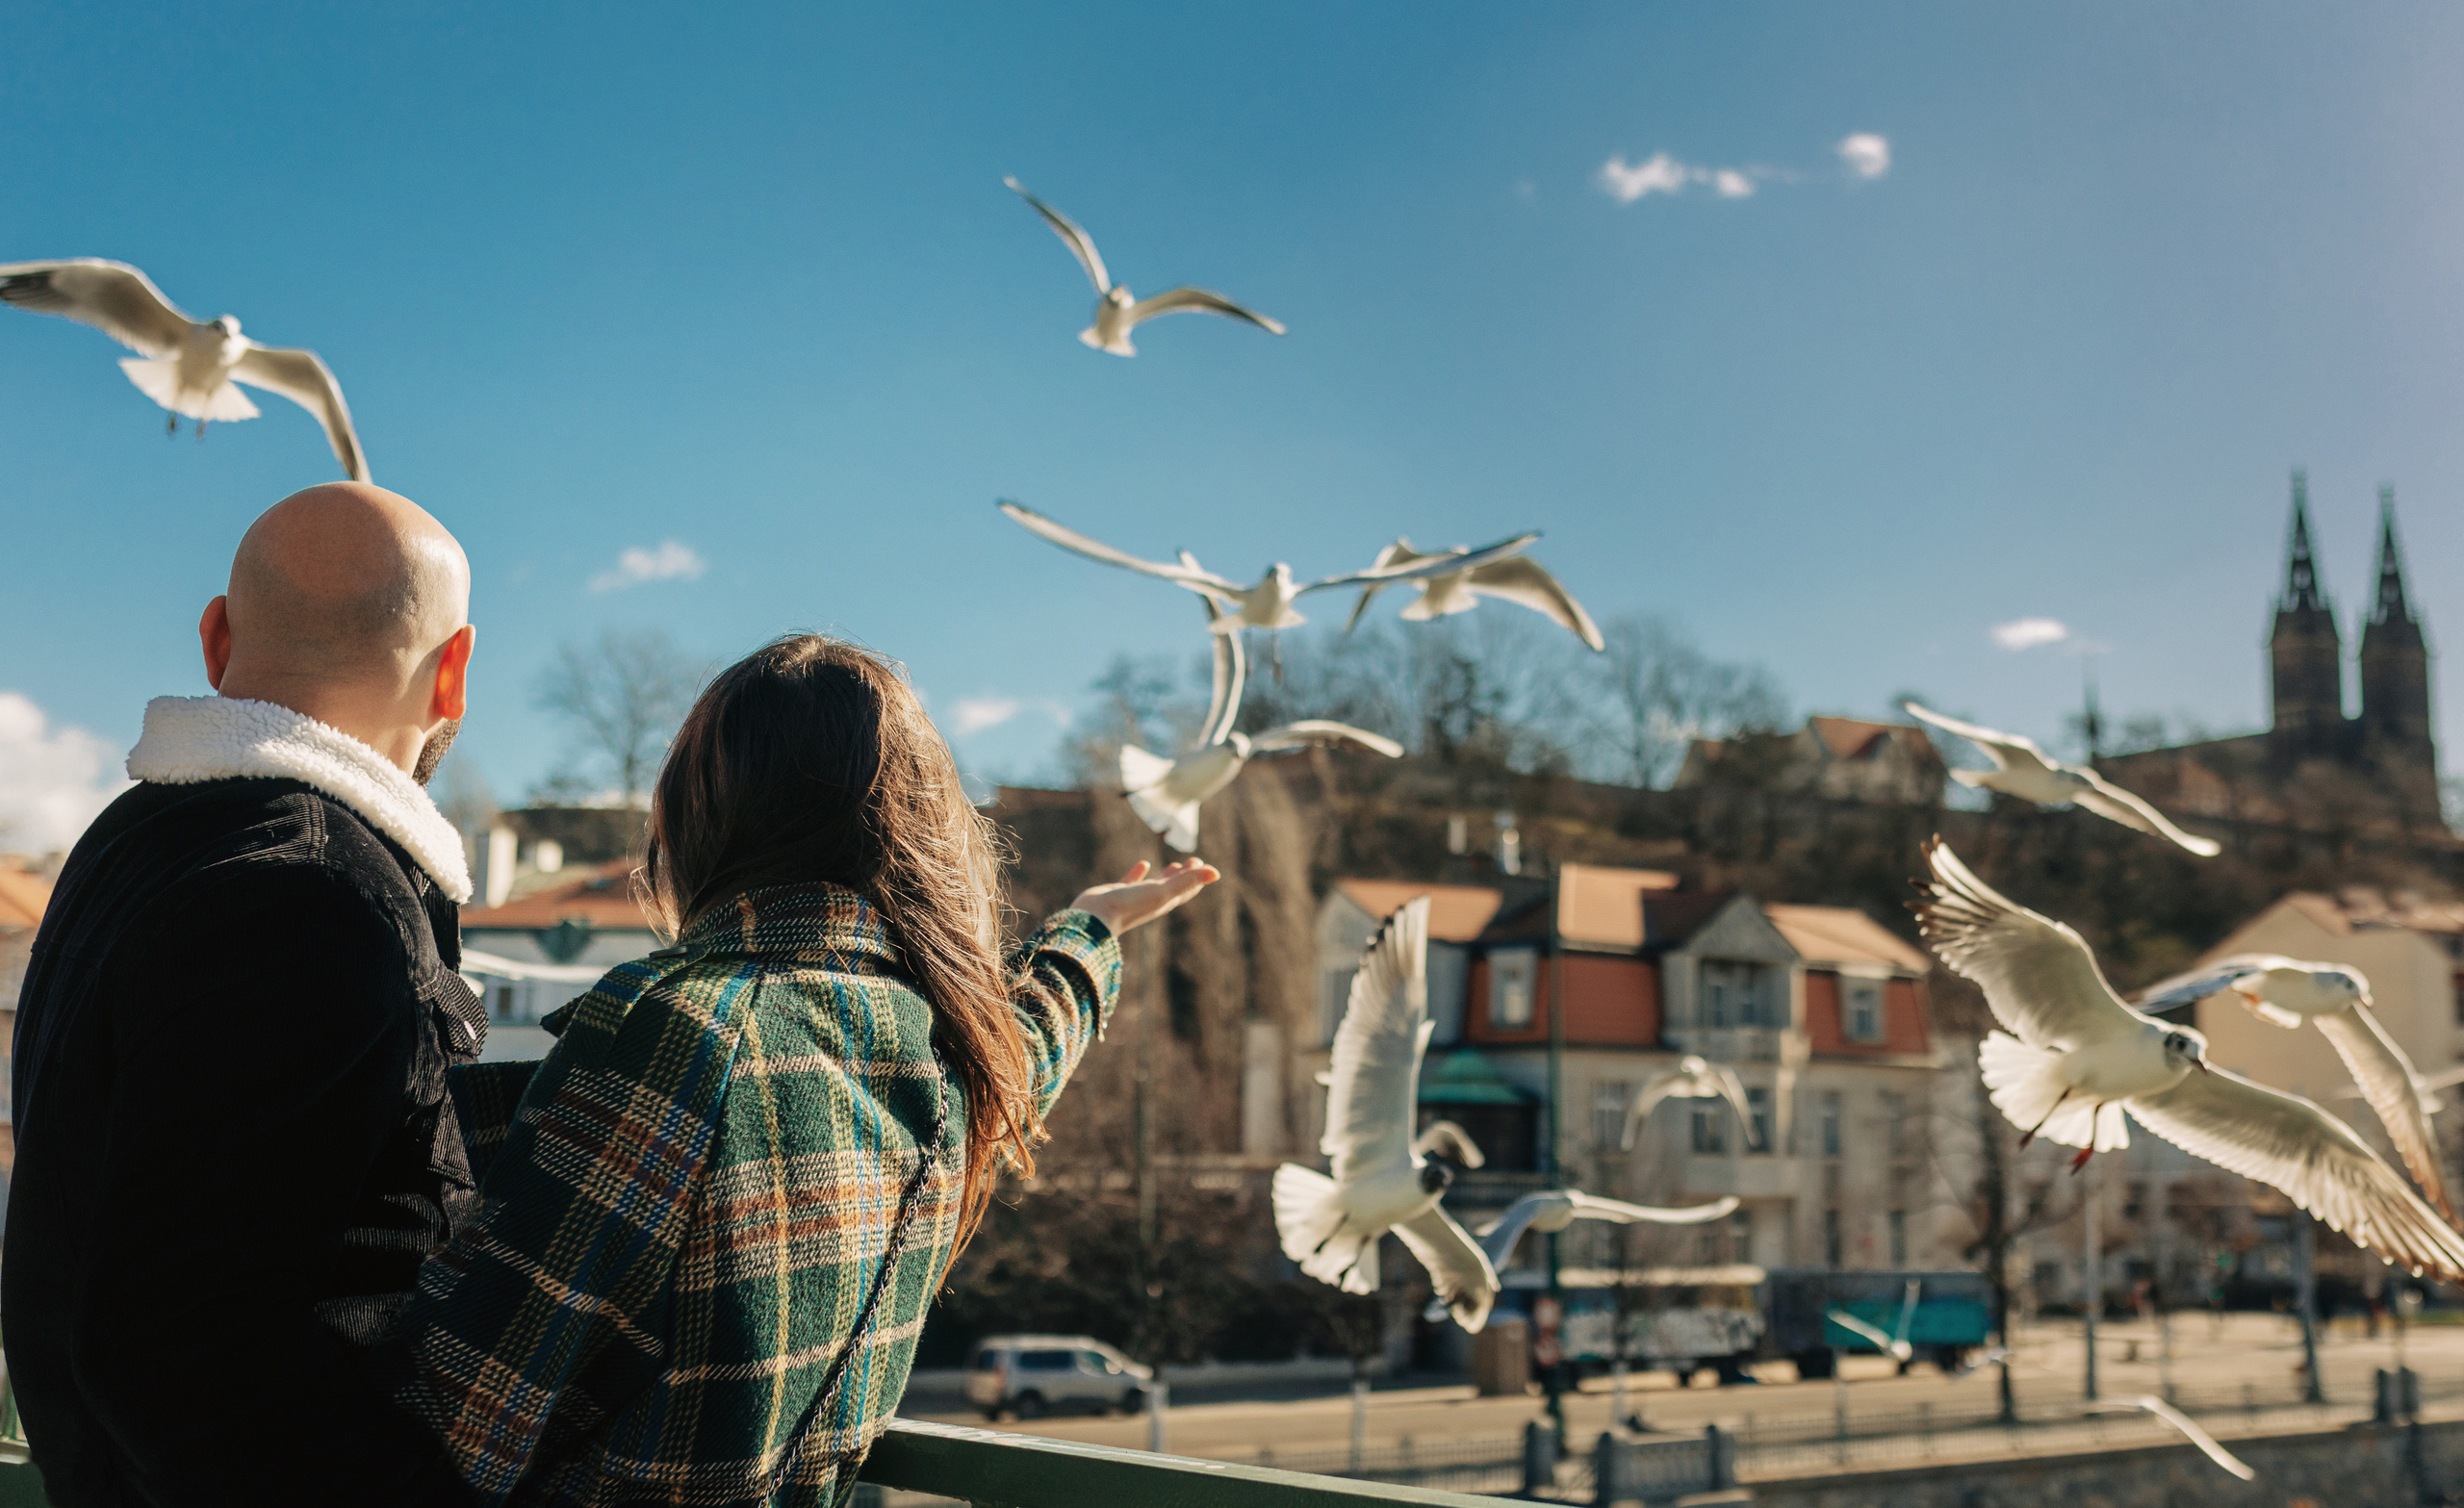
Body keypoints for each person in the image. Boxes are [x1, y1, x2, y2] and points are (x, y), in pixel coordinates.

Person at [391, 633, 1215, 1505]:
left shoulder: (680, 1031)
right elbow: (1037, 1031)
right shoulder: (957, 1056)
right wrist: (1092, 927)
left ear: (700, 811)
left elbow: (456, 1409)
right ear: (921, 826)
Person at [5, 483, 485, 1505]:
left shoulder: (130, 842)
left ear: (216, 640)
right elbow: (186, 1356)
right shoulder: (314, 891)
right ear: (453, 673)